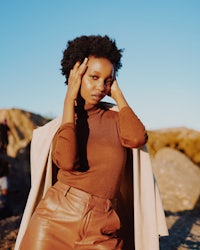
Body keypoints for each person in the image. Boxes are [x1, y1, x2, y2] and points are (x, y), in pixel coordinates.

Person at [16, 35, 168, 250]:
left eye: (108, 80)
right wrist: (69, 100)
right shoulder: (63, 125)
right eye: (94, 77)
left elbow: (137, 138)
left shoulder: (116, 119)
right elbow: (67, 162)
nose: (101, 87)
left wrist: (118, 95)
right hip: (54, 218)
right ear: (75, 76)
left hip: (102, 223)